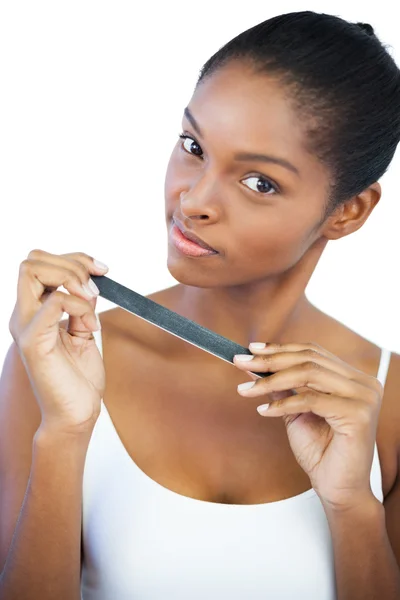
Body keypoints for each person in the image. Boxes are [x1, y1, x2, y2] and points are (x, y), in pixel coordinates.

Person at [0, 9, 399, 600]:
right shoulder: (58, 358)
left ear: (348, 212)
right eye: (193, 146)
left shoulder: (386, 406)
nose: (194, 200)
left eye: (258, 182)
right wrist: (66, 431)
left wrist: (351, 505)